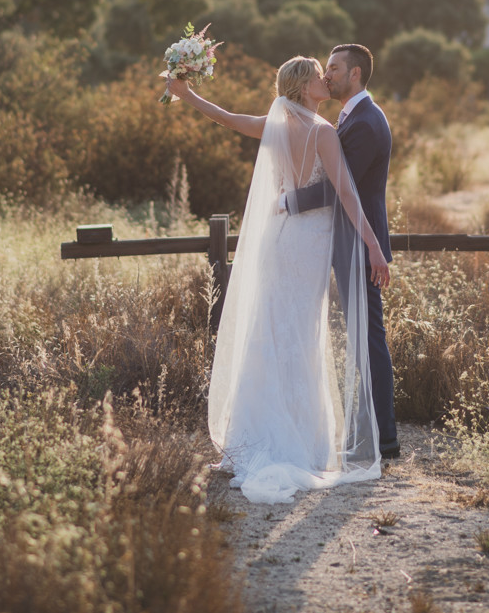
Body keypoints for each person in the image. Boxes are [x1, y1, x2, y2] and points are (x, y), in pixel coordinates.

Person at [165, 56, 390, 503]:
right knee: (301, 335)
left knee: (269, 331)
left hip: (279, 238)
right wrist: (373, 245)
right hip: (308, 245)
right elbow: (346, 193)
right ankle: (299, 441)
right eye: (319, 75)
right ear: (304, 88)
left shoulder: (275, 125)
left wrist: (186, 95)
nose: (325, 79)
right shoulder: (323, 133)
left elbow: (227, 118)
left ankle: (252, 438)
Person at [280, 44, 398, 459]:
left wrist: (289, 201)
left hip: (360, 244)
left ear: (355, 74)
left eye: (333, 68)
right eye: (325, 68)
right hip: (348, 240)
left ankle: (383, 438)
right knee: (363, 336)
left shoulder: (365, 123)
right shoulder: (351, 117)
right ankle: (370, 431)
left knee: (368, 338)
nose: (327, 75)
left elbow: (337, 189)